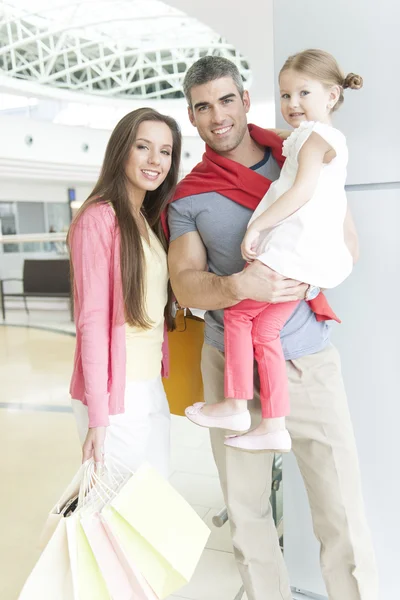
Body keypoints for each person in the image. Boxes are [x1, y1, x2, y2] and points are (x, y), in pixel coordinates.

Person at [167, 55, 377, 599]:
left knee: (342, 514)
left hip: (306, 360)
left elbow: (345, 242)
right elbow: (186, 285)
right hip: (231, 368)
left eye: (227, 99)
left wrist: (305, 281)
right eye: (203, 106)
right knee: (248, 516)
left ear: (244, 98)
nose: (218, 116)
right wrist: (239, 286)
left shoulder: (299, 151)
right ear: (191, 116)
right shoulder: (188, 197)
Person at [184, 50, 360, 454]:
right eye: (285, 95)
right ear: (192, 115)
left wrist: (259, 226)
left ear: (331, 96)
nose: (292, 104)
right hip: (299, 265)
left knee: (240, 315)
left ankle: (234, 404)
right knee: (263, 330)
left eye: (303, 93)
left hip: (296, 268)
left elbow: (303, 193)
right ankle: (271, 423)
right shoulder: (298, 141)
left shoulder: (311, 142)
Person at [68, 108, 181, 478]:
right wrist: (98, 419)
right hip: (118, 394)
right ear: (122, 150)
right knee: (116, 516)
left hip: (149, 386)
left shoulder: (146, 221)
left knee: (151, 503)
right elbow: (93, 323)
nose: (155, 160)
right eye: (143, 147)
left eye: (165, 151)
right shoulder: (99, 219)